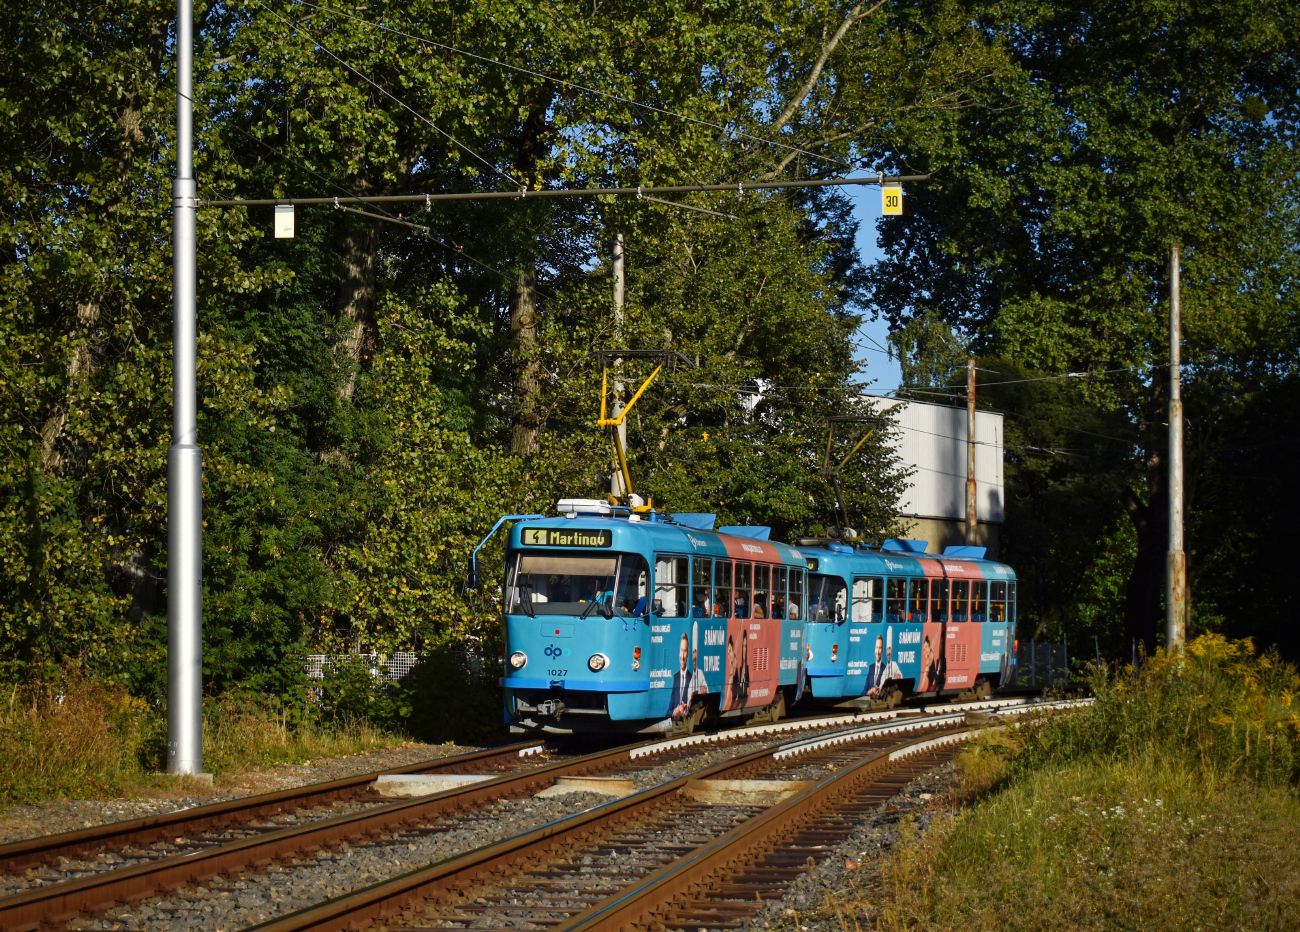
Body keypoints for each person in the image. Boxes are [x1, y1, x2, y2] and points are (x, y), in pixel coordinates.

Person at [669, 633, 691, 720]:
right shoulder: (676, 677)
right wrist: (675, 712)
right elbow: (668, 711)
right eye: (681, 651)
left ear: (688, 654)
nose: (682, 656)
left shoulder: (692, 678)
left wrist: (687, 709)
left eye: (685, 651)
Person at [687, 621, 709, 705]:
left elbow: (705, 688)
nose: (694, 658)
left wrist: (704, 689)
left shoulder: (700, 673)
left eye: (695, 652)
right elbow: (689, 696)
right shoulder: (689, 676)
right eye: (693, 653)